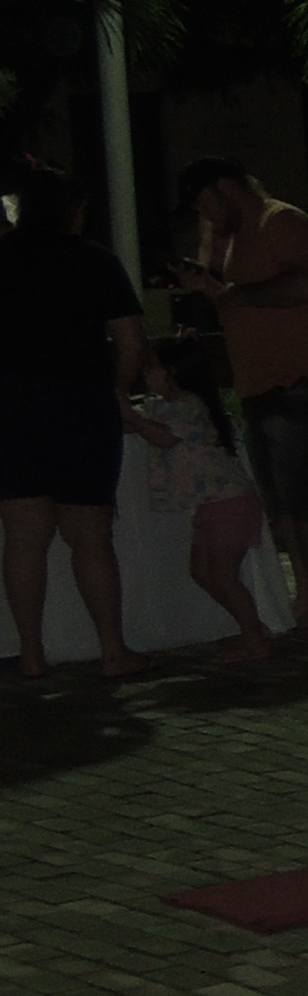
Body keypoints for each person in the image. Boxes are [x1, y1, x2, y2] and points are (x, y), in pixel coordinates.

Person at [173, 157, 308, 641]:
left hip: (296, 382)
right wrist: (210, 285)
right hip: (257, 385)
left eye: (205, 204)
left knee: (302, 498)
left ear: (226, 187)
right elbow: (233, 297)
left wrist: (237, 293)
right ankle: (303, 597)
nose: (204, 215)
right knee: (282, 504)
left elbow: (301, 283)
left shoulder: (282, 221)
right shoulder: (237, 237)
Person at [1, 167, 157, 676]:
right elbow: (131, 342)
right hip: (81, 406)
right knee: (90, 536)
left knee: (24, 538)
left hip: (13, 408)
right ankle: (112, 650)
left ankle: (31, 653)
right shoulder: (94, 260)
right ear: (74, 209)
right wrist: (118, 388)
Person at [134, 330, 278, 660]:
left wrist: (128, 415)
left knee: (224, 577)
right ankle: (253, 628)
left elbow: (165, 437)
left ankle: (255, 640)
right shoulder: (168, 405)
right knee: (202, 572)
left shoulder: (187, 405)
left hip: (228, 502)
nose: (146, 374)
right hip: (215, 503)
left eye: (152, 367)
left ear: (172, 373)